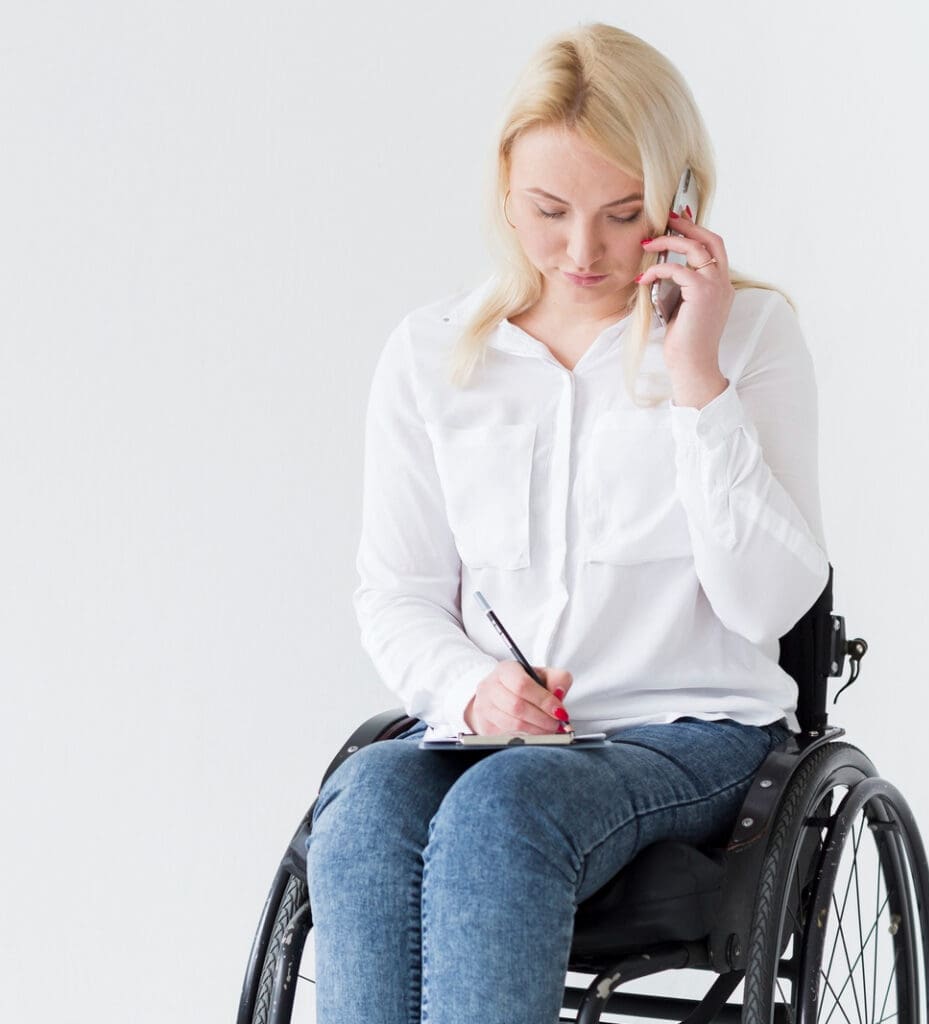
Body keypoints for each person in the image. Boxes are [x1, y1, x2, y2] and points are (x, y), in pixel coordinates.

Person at [304, 22, 830, 1024]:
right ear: (505, 187)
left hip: (699, 736)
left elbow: (767, 599)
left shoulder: (752, 338)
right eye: (549, 210)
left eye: (623, 215)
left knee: (503, 816)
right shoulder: (432, 356)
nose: (582, 252)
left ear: (679, 203)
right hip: (503, 742)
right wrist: (472, 691)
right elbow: (399, 593)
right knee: (367, 802)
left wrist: (695, 378)